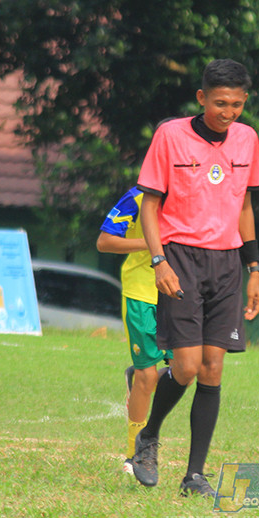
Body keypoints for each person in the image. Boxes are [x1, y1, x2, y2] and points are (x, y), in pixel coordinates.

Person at [129, 58, 259, 498]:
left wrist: (255, 270)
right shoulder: (170, 136)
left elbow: (244, 206)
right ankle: (148, 437)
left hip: (226, 264)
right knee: (185, 367)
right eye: (221, 103)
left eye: (238, 105)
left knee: (213, 368)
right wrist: (158, 261)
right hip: (180, 258)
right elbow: (150, 206)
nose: (229, 113)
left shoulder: (247, 140)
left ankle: (194, 476)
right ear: (201, 97)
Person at [97, 186, 171, 475]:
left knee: (191, 370)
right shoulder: (137, 196)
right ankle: (134, 455)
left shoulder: (195, 192)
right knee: (148, 375)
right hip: (142, 291)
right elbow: (104, 242)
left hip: (180, 291)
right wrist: (152, 243)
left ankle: (140, 376)